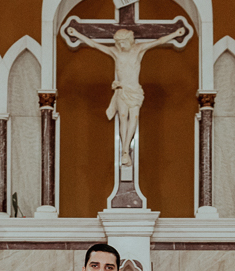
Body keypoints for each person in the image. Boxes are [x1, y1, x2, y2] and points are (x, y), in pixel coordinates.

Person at [64, 24, 187, 167]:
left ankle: (126, 149)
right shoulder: (115, 52)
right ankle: (124, 151)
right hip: (121, 90)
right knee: (123, 118)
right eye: (119, 43)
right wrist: (77, 34)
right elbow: (94, 45)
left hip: (134, 91)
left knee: (133, 119)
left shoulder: (138, 49)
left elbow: (159, 41)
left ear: (130, 40)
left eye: (124, 42)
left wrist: (175, 34)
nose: (121, 46)